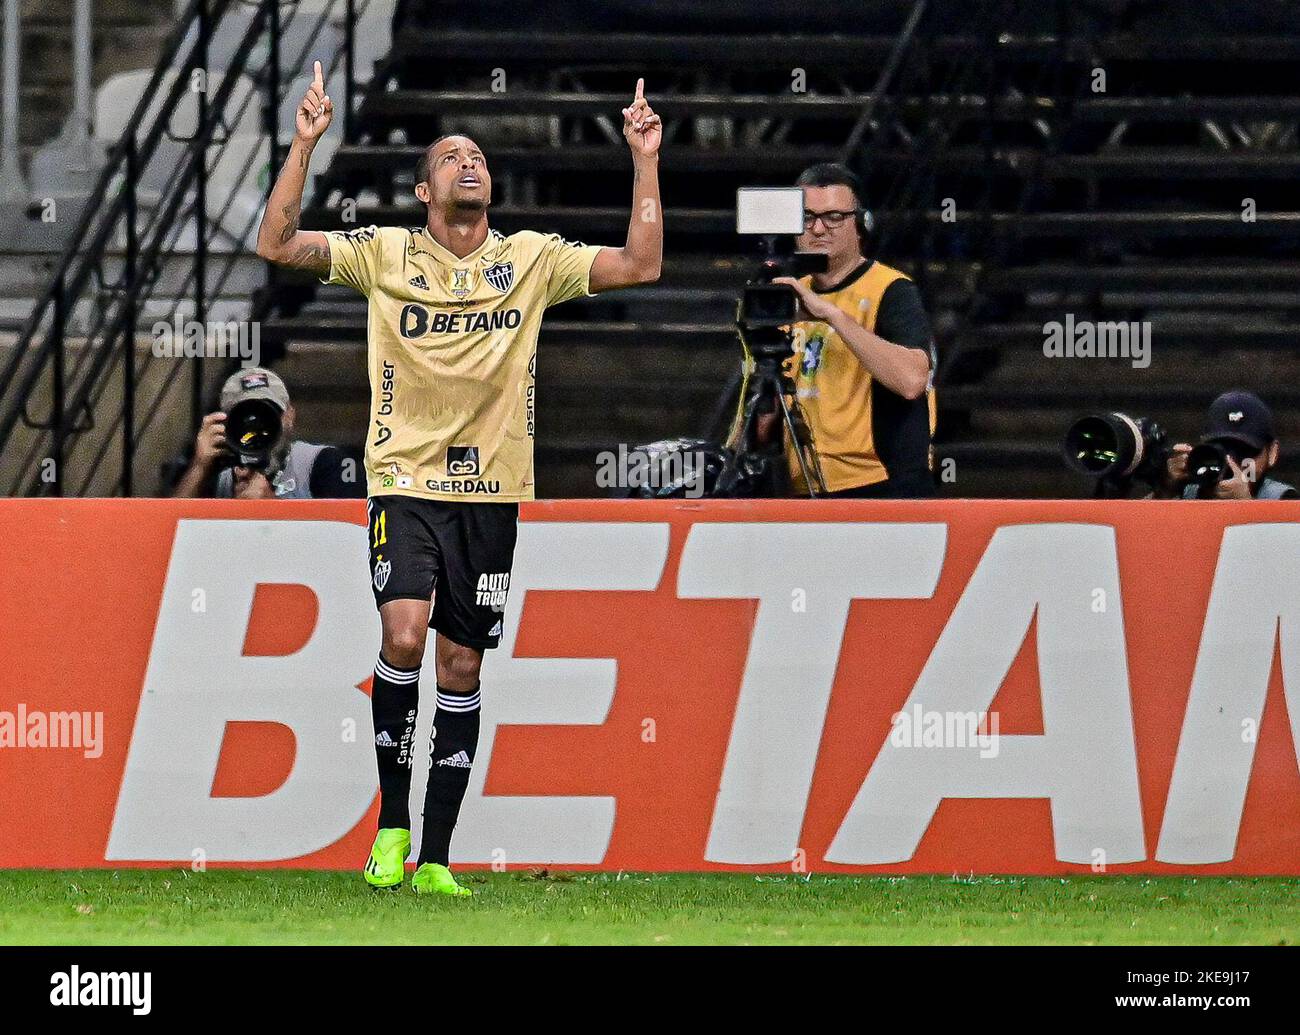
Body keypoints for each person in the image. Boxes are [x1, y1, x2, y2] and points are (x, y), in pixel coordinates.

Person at [254, 62, 662, 895]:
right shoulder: (385, 253)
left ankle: (436, 855)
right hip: (403, 481)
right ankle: (392, 828)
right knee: (403, 635)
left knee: (462, 669)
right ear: (423, 189)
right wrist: (303, 144)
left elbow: (641, 266)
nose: (469, 161)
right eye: (450, 155)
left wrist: (644, 157)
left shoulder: (532, 259)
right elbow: (277, 244)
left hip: (494, 494)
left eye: (477, 155)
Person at [759, 163, 938, 497]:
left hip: (881, 485)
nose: (818, 228)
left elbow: (912, 380)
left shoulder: (890, 288)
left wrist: (834, 316)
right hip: (806, 486)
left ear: (860, 225)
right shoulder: (787, 296)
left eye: (834, 217)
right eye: (807, 217)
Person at [171, 366, 363, 499]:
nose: (256, 429)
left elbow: (350, 538)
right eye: (245, 419)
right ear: (225, 424)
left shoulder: (323, 463)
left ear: (289, 416)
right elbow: (170, 534)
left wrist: (271, 510)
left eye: (268, 415)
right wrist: (199, 465)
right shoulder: (220, 473)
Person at [1153, 390, 1296, 500]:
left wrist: (1246, 506)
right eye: (1221, 449)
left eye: (1245, 451)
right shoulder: (1188, 492)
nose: (1232, 461)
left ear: (1272, 453)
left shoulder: (1282, 498)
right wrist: (1166, 489)